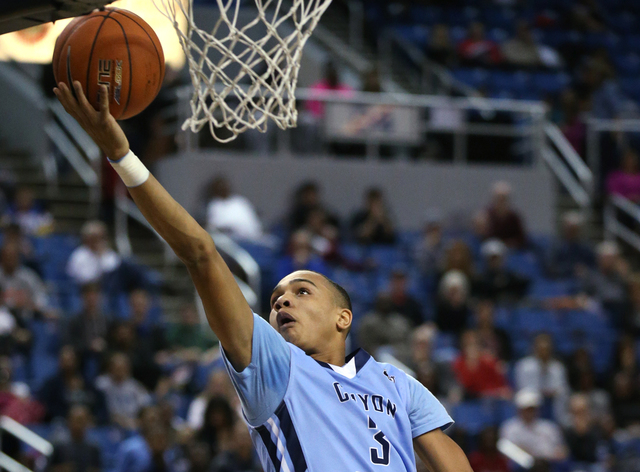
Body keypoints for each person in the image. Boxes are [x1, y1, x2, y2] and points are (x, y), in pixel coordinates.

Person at [54, 79, 473, 470]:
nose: (282, 301)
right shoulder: (274, 363)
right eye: (275, 300)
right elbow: (201, 254)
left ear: (342, 317)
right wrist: (122, 156)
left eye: (302, 291)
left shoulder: (395, 382)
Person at [499, 389, 568, 465]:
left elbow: (561, 452)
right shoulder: (509, 428)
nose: (530, 412)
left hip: (548, 465)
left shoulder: (549, 427)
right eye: (526, 409)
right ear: (519, 409)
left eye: (532, 409)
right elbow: (507, 453)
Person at [514, 333, 570, 424]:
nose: (544, 352)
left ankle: (558, 424)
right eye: (541, 349)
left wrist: (554, 392)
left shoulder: (557, 367)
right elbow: (522, 388)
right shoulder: (524, 366)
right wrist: (540, 392)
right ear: (534, 348)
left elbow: (564, 389)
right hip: (532, 402)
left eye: (546, 349)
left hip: (553, 404)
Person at [95, 352, 151, 430]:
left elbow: (146, 404)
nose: (119, 371)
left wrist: (138, 421)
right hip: (109, 423)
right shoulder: (102, 384)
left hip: (133, 423)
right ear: (110, 368)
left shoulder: (134, 386)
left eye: (122, 367)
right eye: (116, 368)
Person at [452, 330, 510, 400]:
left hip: (489, 397)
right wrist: (471, 365)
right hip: (469, 397)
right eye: (469, 344)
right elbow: (465, 384)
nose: (472, 348)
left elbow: (499, 383)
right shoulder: (459, 362)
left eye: (474, 344)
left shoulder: (489, 360)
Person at [205, 175, 263, 241]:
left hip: (249, 239)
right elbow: (214, 227)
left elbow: (252, 225)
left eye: (224, 186)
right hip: (228, 241)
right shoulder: (214, 205)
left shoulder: (240, 202)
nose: (223, 189)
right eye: (220, 187)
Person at [66, 220, 121, 285]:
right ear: (86, 238)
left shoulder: (110, 254)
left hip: (107, 289)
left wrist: (101, 256)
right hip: (84, 289)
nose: (96, 241)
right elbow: (74, 275)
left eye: (100, 237)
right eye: (93, 238)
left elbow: (114, 274)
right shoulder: (79, 254)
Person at [49, 404, 101, 472]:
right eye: (77, 420)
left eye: (82, 421)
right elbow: (47, 468)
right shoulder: (59, 445)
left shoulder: (93, 448)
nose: (79, 425)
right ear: (69, 421)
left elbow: (97, 469)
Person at [546, 211, 595, 279]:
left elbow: (593, 267)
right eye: (570, 229)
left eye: (575, 230)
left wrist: (585, 270)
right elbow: (551, 268)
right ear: (564, 229)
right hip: (561, 280)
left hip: (583, 281)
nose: (572, 233)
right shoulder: (556, 246)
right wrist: (571, 269)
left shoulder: (585, 247)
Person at [486, 181, 527, 249]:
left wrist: (508, 243)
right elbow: (483, 236)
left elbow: (521, 238)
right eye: (498, 198)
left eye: (504, 198)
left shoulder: (514, 217)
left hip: (511, 249)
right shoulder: (486, 215)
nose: (501, 201)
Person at [434, 270, 471, 336]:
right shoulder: (441, 310)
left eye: (456, 292)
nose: (453, 295)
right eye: (451, 292)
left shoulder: (468, 310)